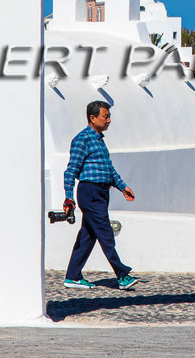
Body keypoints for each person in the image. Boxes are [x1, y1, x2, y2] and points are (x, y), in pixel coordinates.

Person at [62, 100, 137, 290]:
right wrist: (68, 197)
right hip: (90, 192)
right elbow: (71, 171)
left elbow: (108, 169)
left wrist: (122, 186)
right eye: (106, 116)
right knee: (105, 233)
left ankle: (73, 276)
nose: (109, 120)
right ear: (92, 117)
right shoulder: (82, 140)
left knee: (88, 236)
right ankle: (122, 274)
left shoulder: (99, 141)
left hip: (102, 193)